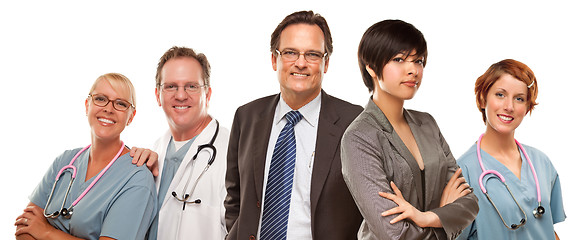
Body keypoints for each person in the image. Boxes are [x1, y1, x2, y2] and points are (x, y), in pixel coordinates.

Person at [224, 10, 363, 240]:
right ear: (274, 59)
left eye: (312, 55)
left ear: (325, 63)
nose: (300, 63)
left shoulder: (354, 122)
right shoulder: (246, 116)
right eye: (290, 52)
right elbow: (234, 196)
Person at [341, 19, 479, 240]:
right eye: (399, 60)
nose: (413, 70)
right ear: (371, 67)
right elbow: (392, 233)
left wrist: (426, 217)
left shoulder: (428, 124)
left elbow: (470, 203)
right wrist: (445, 221)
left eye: (418, 61)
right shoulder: (359, 137)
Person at [14, 73, 157, 240]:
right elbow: (25, 227)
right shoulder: (65, 161)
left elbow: (36, 229)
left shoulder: (137, 178)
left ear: (131, 117)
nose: (108, 109)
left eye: (120, 104)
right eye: (101, 99)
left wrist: (46, 232)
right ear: (87, 105)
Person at [456, 59, 566, 240]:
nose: (509, 107)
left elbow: (547, 229)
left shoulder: (542, 162)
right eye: (500, 95)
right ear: (483, 99)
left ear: (527, 107)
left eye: (519, 98)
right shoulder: (464, 171)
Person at [136, 46, 229, 240]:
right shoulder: (155, 151)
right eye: (171, 86)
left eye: (191, 86)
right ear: (157, 95)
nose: (180, 95)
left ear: (208, 94)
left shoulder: (232, 152)